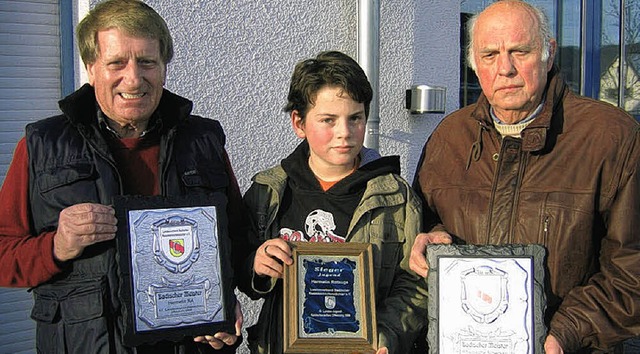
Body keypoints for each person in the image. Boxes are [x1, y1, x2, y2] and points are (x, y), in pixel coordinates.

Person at [0, 0, 245, 352]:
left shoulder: (203, 141)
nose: (134, 78)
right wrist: (55, 247)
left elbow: (236, 240)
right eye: (117, 62)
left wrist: (223, 304)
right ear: (91, 68)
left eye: (147, 62)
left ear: (164, 68)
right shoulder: (41, 146)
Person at [410, 0, 640, 353]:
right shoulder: (449, 138)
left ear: (548, 52)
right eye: (489, 55)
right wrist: (431, 240)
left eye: (520, 51)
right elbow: (427, 228)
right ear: (474, 64)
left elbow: (631, 270)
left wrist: (566, 332)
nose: (506, 68)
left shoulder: (611, 137)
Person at [236, 51, 427, 354]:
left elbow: (417, 282)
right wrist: (255, 265)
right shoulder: (268, 191)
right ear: (298, 122)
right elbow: (238, 261)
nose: (344, 133)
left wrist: (387, 333)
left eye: (355, 118)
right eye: (328, 120)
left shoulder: (396, 197)